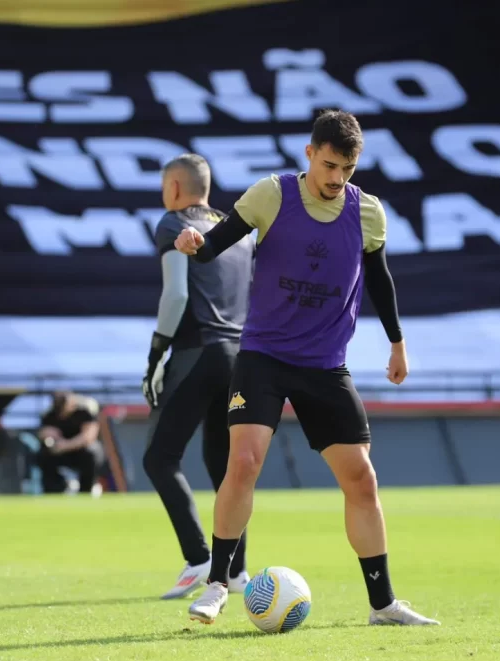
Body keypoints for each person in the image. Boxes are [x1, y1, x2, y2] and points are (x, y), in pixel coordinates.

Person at [175, 110, 440, 626]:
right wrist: (193, 246)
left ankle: (382, 604)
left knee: (362, 479)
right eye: (329, 165)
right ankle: (216, 585)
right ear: (309, 154)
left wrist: (397, 343)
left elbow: (379, 280)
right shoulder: (271, 195)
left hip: (325, 365)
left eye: (346, 168)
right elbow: (216, 245)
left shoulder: (368, 213)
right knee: (245, 463)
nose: (336, 179)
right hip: (265, 357)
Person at [142, 153, 255, 599]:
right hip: (239, 355)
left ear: (173, 187)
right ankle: (237, 571)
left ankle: (198, 558)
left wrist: (155, 354)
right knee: (226, 468)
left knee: (159, 457)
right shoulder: (237, 230)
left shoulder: (172, 224)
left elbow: (177, 294)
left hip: (196, 350)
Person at [37, 391, 105, 496]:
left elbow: (88, 437)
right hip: (60, 453)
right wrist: (47, 435)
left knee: (93, 452)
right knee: (43, 455)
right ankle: (55, 490)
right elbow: (42, 433)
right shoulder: (50, 415)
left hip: (81, 451)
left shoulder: (84, 412)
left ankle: (86, 489)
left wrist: (65, 445)